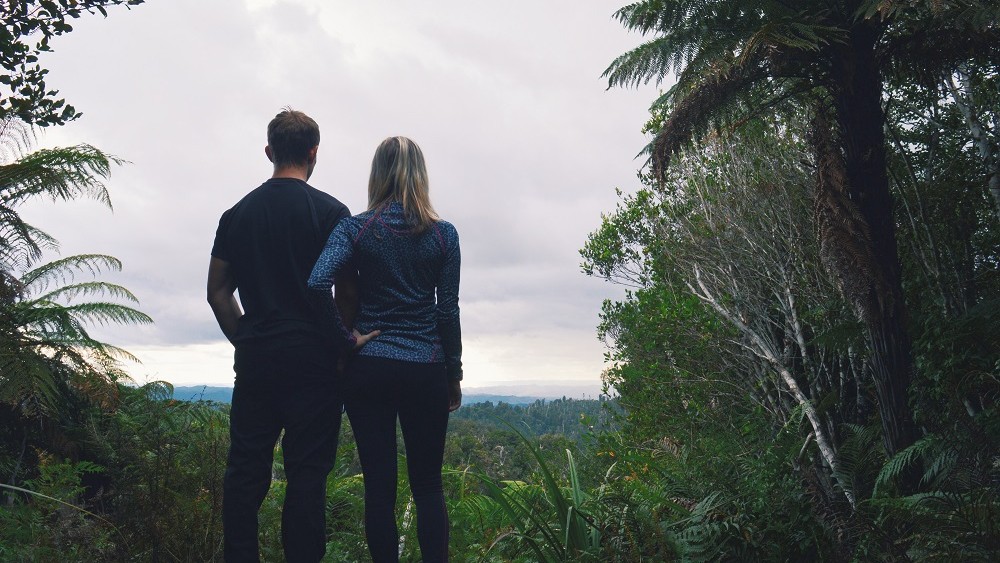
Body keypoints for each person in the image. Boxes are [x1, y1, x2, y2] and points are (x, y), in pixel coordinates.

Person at [207, 108, 374, 562]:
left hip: (258, 360)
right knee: (306, 477)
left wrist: (246, 338)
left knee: (245, 471)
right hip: (315, 363)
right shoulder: (331, 213)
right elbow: (347, 291)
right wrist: (340, 345)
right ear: (314, 152)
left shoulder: (236, 214)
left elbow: (218, 293)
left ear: (269, 152)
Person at [307, 136, 463, 562]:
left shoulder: (355, 229)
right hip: (426, 366)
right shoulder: (444, 236)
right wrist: (454, 373)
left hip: (369, 367)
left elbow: (319, 282)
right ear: (421, 174)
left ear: (377, 173)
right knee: (428, 484)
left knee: (380, 486)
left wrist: (345, 339)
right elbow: (446, 311)